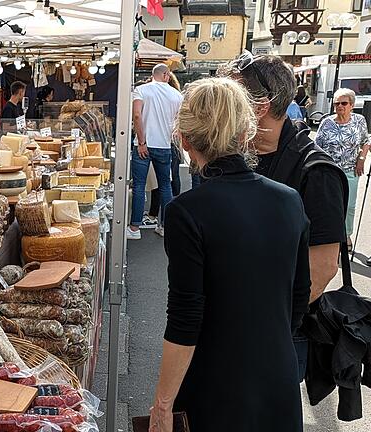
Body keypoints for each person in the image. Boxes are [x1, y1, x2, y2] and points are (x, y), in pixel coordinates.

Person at [149, 77, 310, 432]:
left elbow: (185, 317)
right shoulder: (288, 200)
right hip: (276, 375)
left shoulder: (187, 211)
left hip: (215, 381)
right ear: (245, 134)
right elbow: (299, 297)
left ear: (185, 140)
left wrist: (163, 404)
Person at [219, 52, 347, 379]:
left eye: (230, 99)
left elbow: (322, 268)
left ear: (260, 107)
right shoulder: (237, 155)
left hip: (277, 330)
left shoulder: (316, 172)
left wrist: (265, 326)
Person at [127, 64, 183, 240]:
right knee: (165, 185)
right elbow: (179, 122)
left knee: (139, 186)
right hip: (164, 146)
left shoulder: (141, 90)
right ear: (166, 75)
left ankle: (134, 228)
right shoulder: (177, 95)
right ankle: (164, 226)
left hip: (143, 145)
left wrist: (142, 141)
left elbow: (137, 115)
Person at [315, 88, 370, 252]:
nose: (339, 106)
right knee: (329, 204)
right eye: (337, 103)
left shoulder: (359, 121)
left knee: (349, 206)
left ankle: (346, 235)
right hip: (329, 171)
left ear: (352, 105)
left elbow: (365, 141)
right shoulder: (327, 123)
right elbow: (316, 145)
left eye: (344, 103)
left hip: (350, 170)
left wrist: (361, 159)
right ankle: (329, 235)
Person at [147, 72, 183, 224]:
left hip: (161, 142)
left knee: (161, 181)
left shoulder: (160, 98)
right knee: (171, 178)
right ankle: (170, 214)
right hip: (173, 142)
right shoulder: (176, 97)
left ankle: (157, 215)